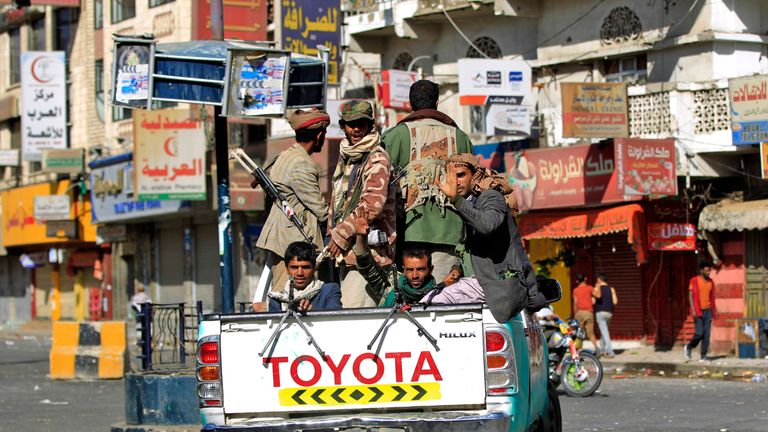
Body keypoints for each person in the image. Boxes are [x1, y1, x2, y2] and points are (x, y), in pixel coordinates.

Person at [382, 80, 473, 281]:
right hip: (450, 232)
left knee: (411, 299)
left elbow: (380, 183)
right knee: (443, 300)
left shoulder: (396, 135)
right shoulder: (460, 137)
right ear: (437, 102)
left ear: (410, 104)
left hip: (408, 230)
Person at [436, 153, 544, 323]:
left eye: (461, 175)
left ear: (475, 176)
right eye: (451, 176)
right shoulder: (469, 204)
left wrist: (456, 200)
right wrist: (457, 268)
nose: (455, 182)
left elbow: (487, 225)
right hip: (478, 286)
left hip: (495, 285)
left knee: (431, 306)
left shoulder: (491, 197)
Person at [255, 109, 331, 298]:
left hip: (283, 238)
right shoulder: (301, 164)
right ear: (320, 135)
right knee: (288, 297)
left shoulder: (285, 155)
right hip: (291, 242)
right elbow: (320, 210)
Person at [328, 100, 396, 308]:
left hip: (369, 258)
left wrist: (340, 233)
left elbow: (371, 205)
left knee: (355, 321)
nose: (356, 129)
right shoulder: (348, 157)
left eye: (361, 123)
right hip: (348, 257)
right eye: (351, 124)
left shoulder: (376, 158)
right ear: (343, 126)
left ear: (370, 125)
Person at [350, 209, 440, 307]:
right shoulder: (391, 288)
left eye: (420, 269)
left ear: (431, 269)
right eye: (410, 270)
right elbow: (367, 266)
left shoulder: (439, 296)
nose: (415, 275)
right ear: (403, 270)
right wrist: (361, 237)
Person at [265, 242, 341, 312]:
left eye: (305, 267)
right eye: (294, 267)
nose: (300, 273)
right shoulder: (277, 300)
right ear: (287, 269)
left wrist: (312, 313)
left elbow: (335, 320)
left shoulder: (329, 291)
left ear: (314, 268)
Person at [684, 262, 717, 361]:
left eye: (709, 270)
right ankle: (689, 347)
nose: (708, 272)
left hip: (708, 310)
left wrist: (713, 310)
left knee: (706, 335)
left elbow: (712, 297)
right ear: (701, 270)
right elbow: (690, 295)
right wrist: (693, 309)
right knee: (699, 333)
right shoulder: (694, 281)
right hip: (698, 310)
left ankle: (703, 355)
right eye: (707, 270)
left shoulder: (711, 282)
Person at [572, 273, 599, 353]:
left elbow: (575, 303)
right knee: (591, 333)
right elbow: (597, 295)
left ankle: (577, 350)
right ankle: (597, 349)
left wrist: (575, 314)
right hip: (588, 313)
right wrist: (598, 287)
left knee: (579, 332)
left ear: (577, 281)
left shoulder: (575, 290)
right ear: (585, 279)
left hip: (579, 313)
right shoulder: (589, 288)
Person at [594, 272, 618, 358]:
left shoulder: (597, 288)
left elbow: (593, 301)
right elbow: (615, 302)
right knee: (604, 332)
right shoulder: (611, 289)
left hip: (600, 312)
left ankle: (610, 351)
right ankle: (602, 350)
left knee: (604, 332)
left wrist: (596, 288)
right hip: (609, 313)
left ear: (599, 280)